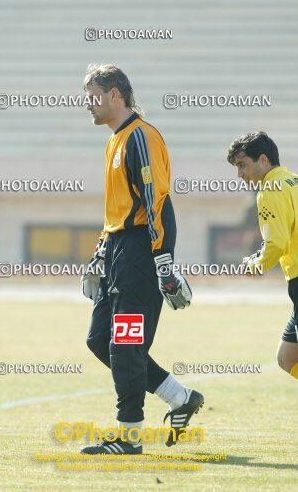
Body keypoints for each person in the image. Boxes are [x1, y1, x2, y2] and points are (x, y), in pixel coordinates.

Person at [80, 63, 204, 454]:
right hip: (118, 252)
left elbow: (157, 205)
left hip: (139, 256)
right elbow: (118, 207)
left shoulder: (141, 137)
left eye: (93, 96)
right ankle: (180, 397)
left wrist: (164, 262)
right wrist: (100, 253)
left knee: (126, 344)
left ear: (115, 93)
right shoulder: (114, 140)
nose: (88, 105)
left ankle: (129, 435)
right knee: (101, 339)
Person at [227, 131, 298, 380]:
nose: (240, 175)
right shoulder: (293, 180)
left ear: (264, 160)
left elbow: (276, 243)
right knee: (287, 357)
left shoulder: (269, 190)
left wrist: (256, 265)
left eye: (243, 165)